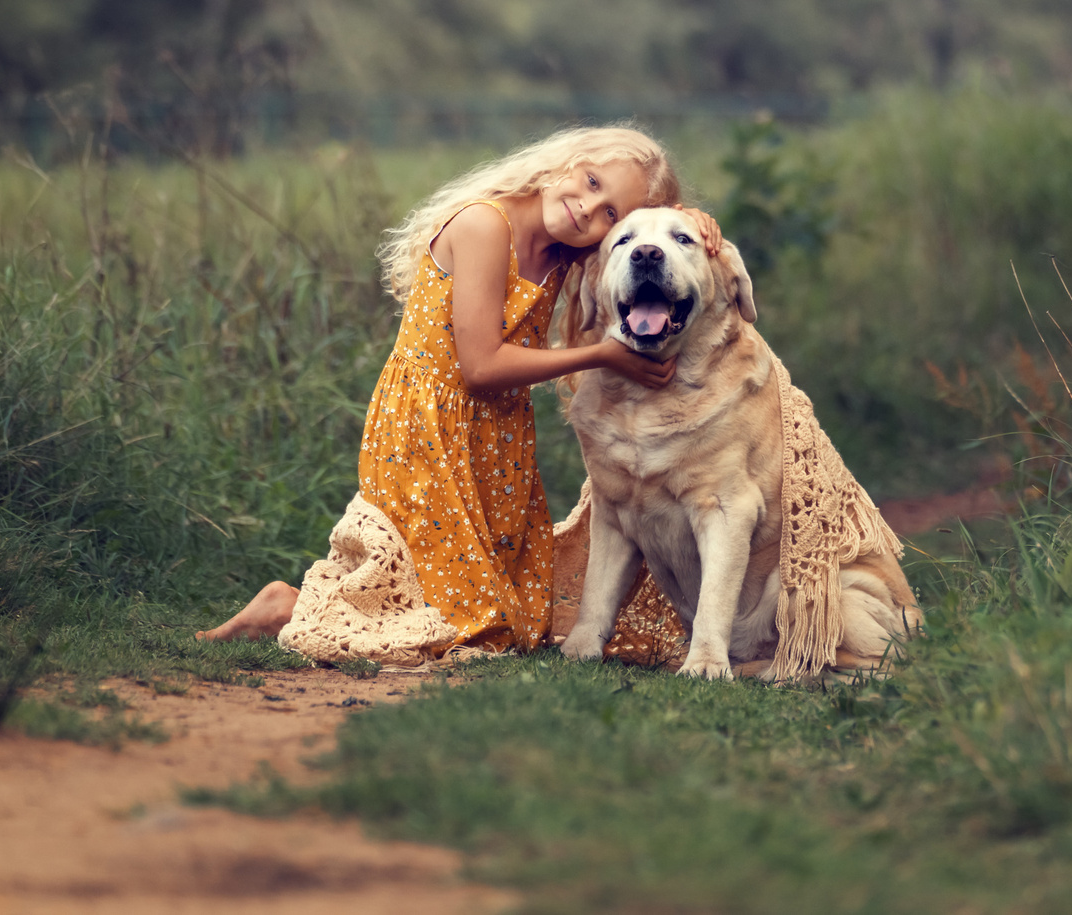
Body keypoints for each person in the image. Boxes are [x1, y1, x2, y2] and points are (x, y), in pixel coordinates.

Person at [198, 126, 712, 661]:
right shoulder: (485, 224)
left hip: (496, 437)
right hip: (427, 426)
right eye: (590, 182)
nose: (588, 207)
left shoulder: (566, 250)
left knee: (514, 630)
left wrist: (691, 223)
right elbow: (481, 366)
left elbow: (651, 241)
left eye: (610, 213)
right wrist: (601, 354)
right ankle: (290, 605)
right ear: (565, 162)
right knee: (464, 630)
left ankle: (320, 604)